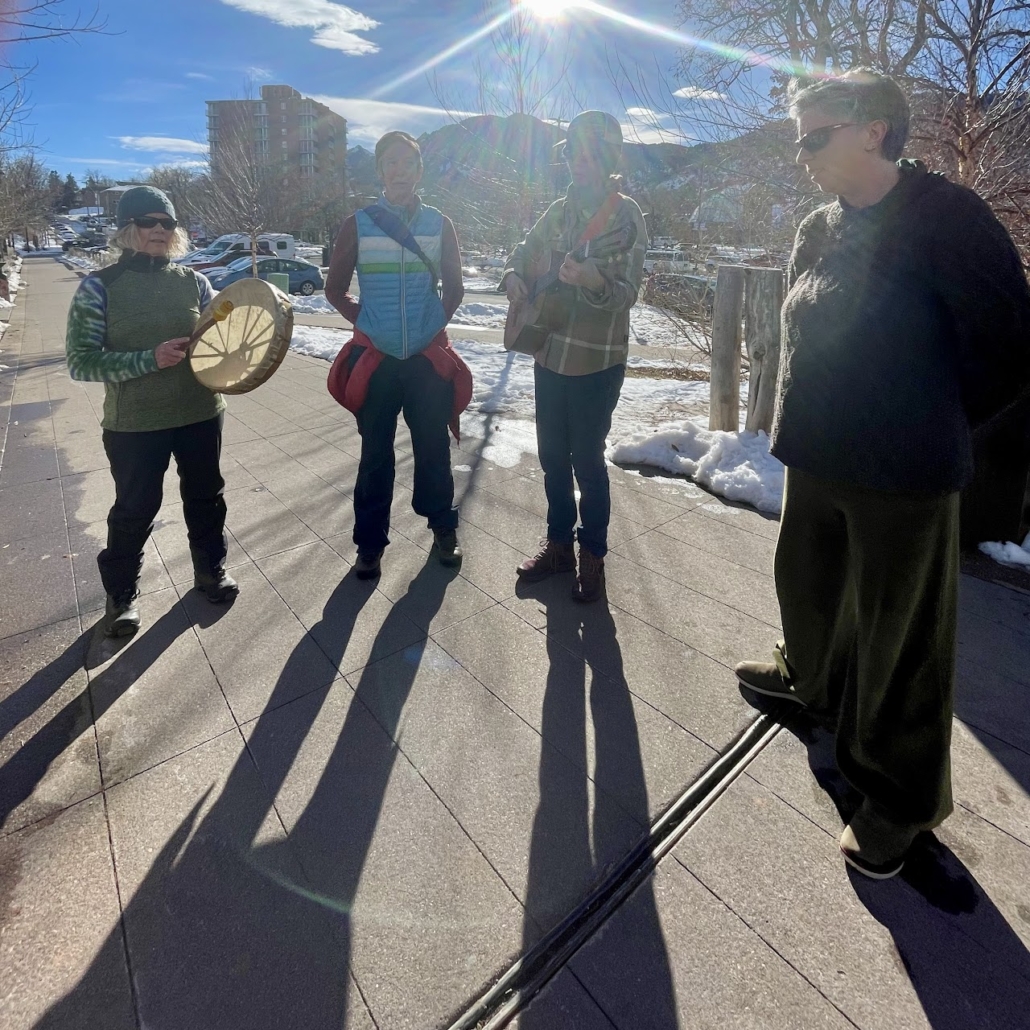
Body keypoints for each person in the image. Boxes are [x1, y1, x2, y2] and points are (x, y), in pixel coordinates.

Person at [734, 70, 1030, 878]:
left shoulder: (949, 219)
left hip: (904, 471)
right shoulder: (818, 227)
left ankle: (899, 800)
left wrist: (929, 416)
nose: (800, 153)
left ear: (872, 129)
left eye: (812, 135)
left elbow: (1009, 347)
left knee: (903, 645)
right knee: (808, 589)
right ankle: (809, 681)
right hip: (817, 456)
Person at [66, 185, 238, 638]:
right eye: (148, 222)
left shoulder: (194, 283)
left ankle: (210, 572)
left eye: (167, 223)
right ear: (127, 229)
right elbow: (80, 362)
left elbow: (219, 341)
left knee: (207, 497)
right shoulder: (98, 287)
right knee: (135, 509)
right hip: (135, 423)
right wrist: (148, 358)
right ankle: (121, 595)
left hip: (201, 412)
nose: (159, 230)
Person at [503, 111, 647, 602]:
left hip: (596, 359)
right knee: (551, 457)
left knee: (587, 460)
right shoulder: (558, 210)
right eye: (573, 153)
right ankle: (560, 545)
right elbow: (521, 253)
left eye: (590, 154)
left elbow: (627, 292)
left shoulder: (625, 216)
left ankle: (594, 556)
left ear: (609, 159)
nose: (579, 163)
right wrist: (513, 280)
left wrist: (593, 281)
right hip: (548, 351)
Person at [325, 130, 470, 580]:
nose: (400, 170)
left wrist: (432, 325)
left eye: (408, 162)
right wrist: (367, 321)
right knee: (375, 456)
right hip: (379, 362)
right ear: (381, 170)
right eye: (391, 163)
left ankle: (443, 526)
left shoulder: (439, 223)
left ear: (419, 170)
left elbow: (455, 286)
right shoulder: (359, 222)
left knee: (433, 450)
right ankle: (369, 544)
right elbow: (334, 289)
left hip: (425, 360)